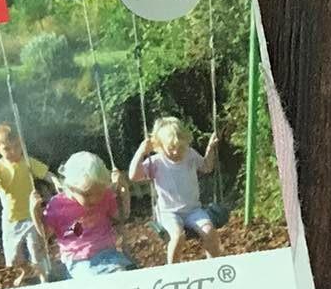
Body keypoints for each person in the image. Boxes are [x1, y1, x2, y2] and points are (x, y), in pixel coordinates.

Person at [130, 118, 221, 265]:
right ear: (159, 146)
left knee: (210, 232)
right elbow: (133, 176)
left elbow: (206, 167)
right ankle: (172, 270)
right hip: (168, 212)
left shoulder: (190, 154)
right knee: (178, 237)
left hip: (193, 210)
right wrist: (141, 151)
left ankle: (214, 266)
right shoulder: (157, 162)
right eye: (171, 148)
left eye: (180, 147)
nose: (176, 151)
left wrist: (210, 148)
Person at [37, 152, 131, 278]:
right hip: (79, 260)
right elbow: (45, 234)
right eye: (87, 195)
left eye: (99, 192)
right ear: (71, 188)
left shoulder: (106, 195)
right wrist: (35, 213)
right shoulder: (58, 205)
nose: (94, 199)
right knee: (93, 280)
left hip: (109, 254)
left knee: (122, 276)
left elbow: (122, 216)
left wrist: (124, 189)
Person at [0, 125, 53, 283]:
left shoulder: (27, 161)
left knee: (36, 250)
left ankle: (44, 278)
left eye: (16, 146)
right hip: (11, 219)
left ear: (21, 143)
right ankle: (25, 270)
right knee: (14, 256)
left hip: (31, 216)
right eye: (7, 149)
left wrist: (54, 180)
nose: (13, 151)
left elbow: (45, 173)